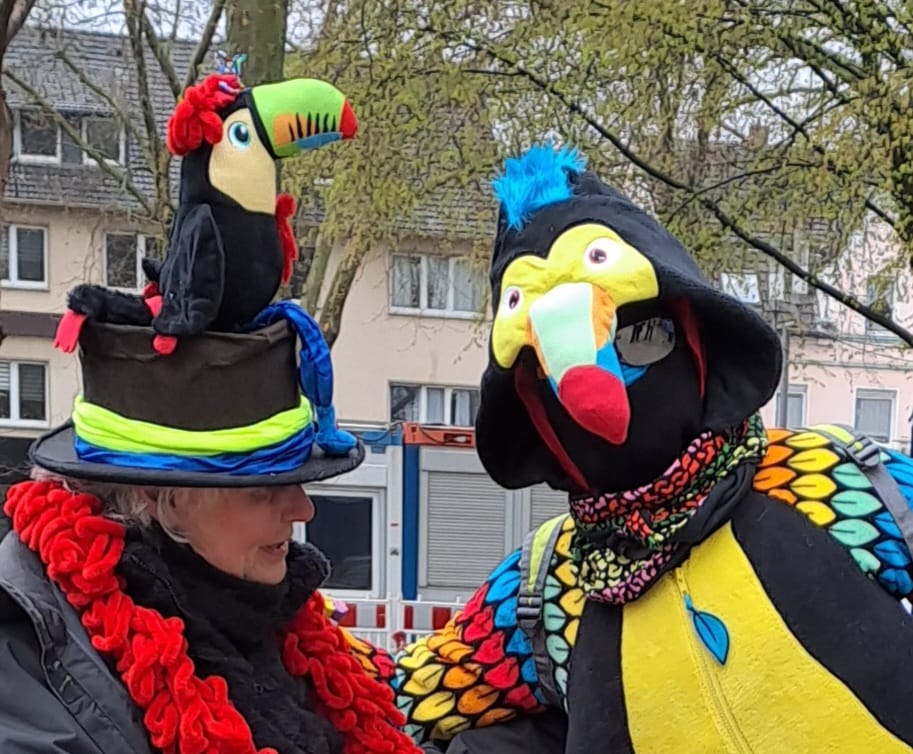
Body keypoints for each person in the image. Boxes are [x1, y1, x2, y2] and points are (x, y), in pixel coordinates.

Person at [387, 144, 913, 753]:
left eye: (640, 336)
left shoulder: (831, 481)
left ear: (696, 339)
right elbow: (386, 699)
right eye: (548, 372)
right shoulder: (546, 586)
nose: (598, 390)